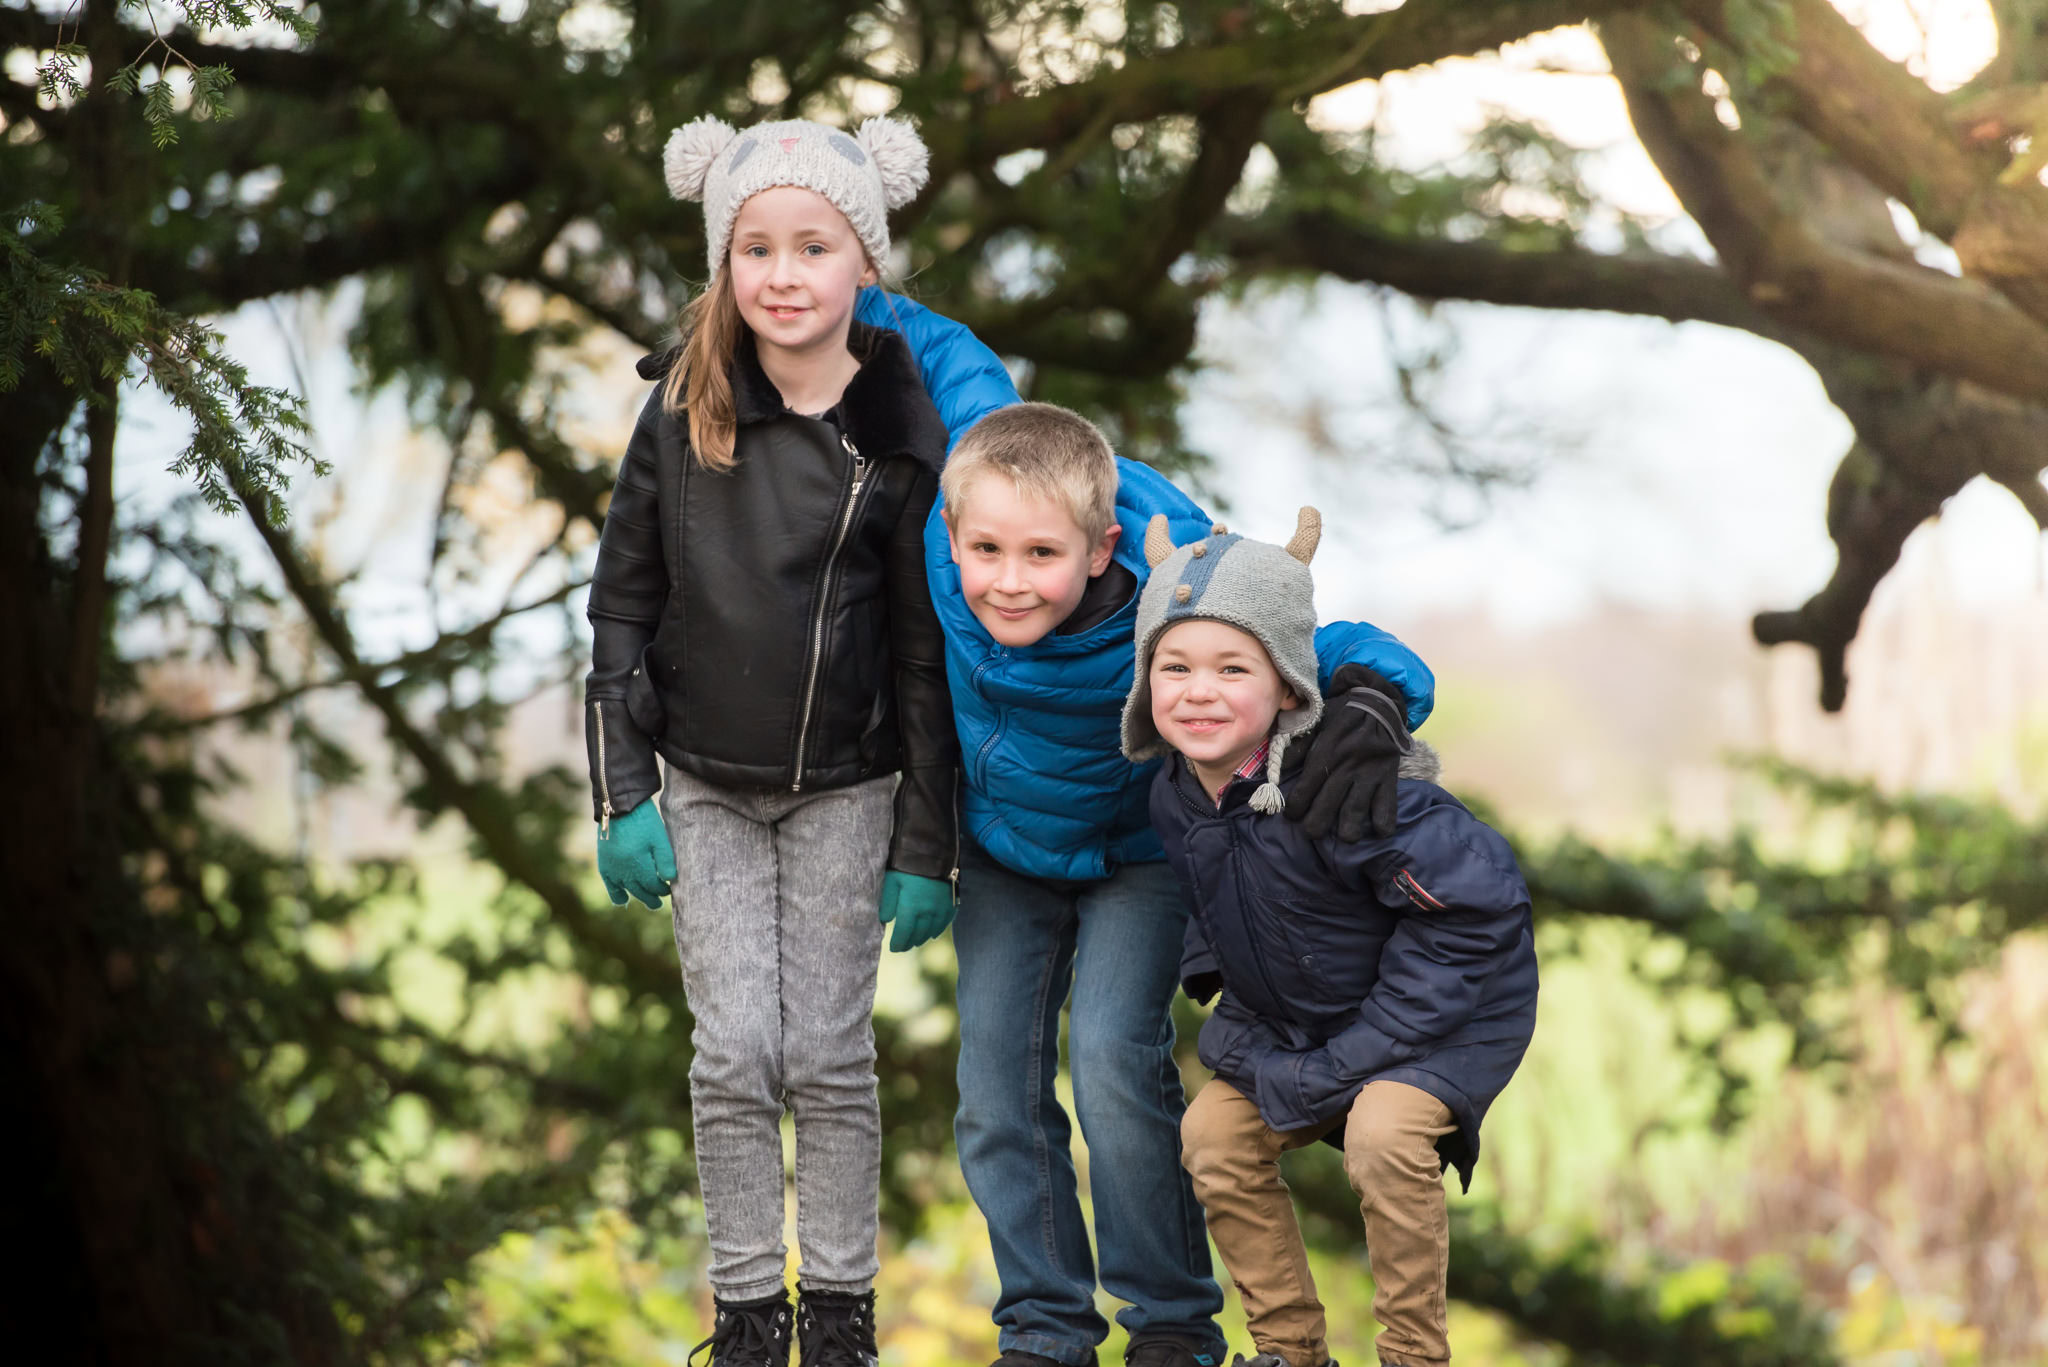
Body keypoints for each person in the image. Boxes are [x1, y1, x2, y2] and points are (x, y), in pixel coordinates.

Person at [930, 405, 1439, 1367]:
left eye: (1041, 551)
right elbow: (929, 353)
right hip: (1006, 851)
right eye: (984, 549)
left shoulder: (1176, 586)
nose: (1007, 579)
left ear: (1098, 548)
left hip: (1140, 850)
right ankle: (1043, 1326)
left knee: (1117, 1063)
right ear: (952, 536)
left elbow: (1309, 637)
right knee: (993, 1086)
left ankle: (1169, 1323)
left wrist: (1375, 695)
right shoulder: (949, 550)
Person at [583, 112, 962, 1367]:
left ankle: (841, 1313)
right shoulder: (682, 412)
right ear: (723, 261)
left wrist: (926, 839)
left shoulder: (903, 434)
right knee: (737, 1051)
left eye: (814, 246)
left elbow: (922, 647)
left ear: (866, 265)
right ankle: (748, 1314)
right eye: (756, 247)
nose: (784, 273)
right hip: (698, 780)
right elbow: (622, 598)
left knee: (826, 1056)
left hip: (849, 791)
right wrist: (617, 791)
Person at [1123, 509, 1539, 1367]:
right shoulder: (1176, 789)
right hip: (1306, 1019)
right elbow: (1210, 886)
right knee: (1213, 1134)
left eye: (1232, 667)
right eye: (1176, 667)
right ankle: (1287, 1349)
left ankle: (1414, 1352)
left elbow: (1475, 913)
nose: (1199, 690)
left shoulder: (1342, 784)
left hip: (1443, 1019)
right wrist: (1220, 976)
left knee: (1384, 1134)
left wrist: (1352, 1057)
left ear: (1287, 687)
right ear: (1145, 681)